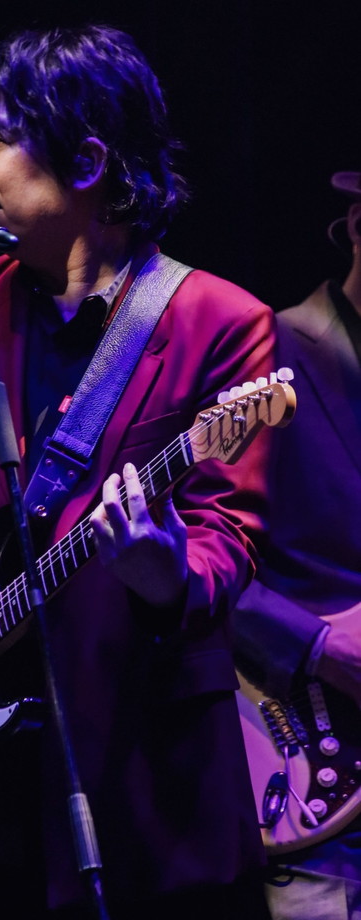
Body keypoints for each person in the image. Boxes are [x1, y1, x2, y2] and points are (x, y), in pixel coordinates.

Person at [0, 23, 277, 920]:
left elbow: (229, 543)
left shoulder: (221, 322)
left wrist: (164, 571)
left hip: (148, 791)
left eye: (0, 138)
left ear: (85, 161)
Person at [231, 170, 361, 919]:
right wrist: (314, 644)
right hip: (316, 771)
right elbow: (187, 552)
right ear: (357, 225)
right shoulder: (270, 348)